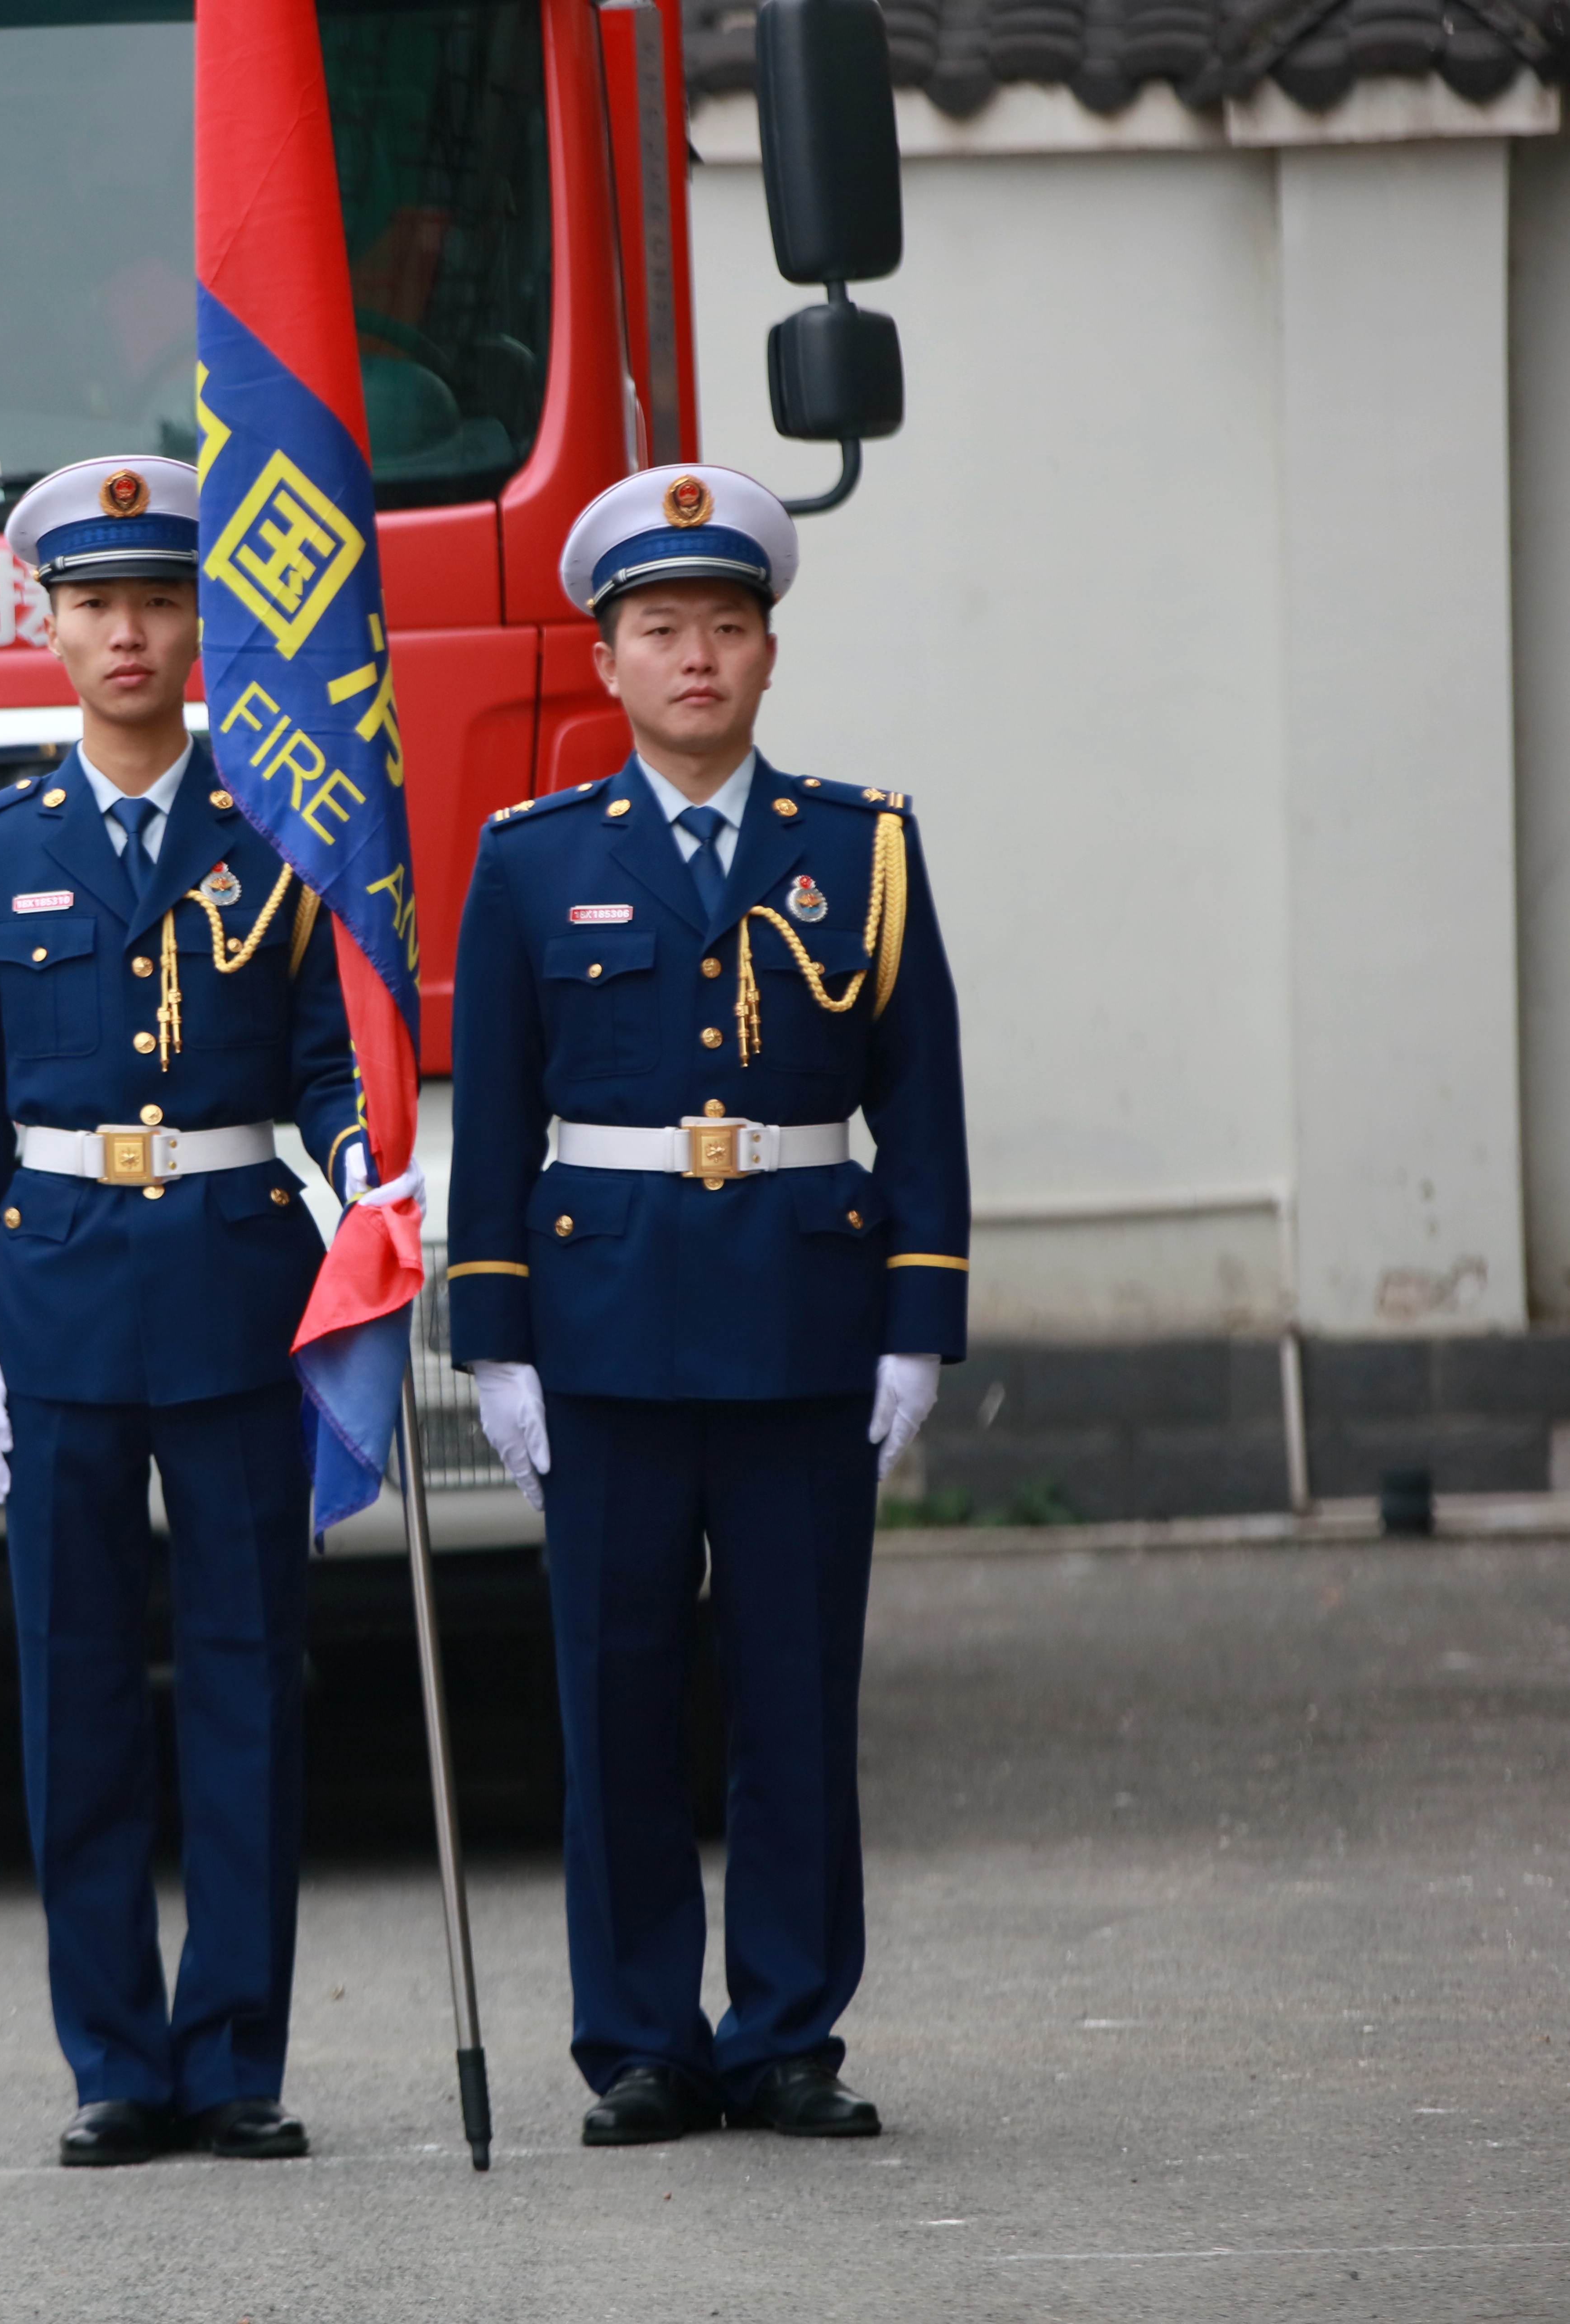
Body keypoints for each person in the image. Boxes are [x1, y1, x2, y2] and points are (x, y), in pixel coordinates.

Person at [443, 465, 968, 2146]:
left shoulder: (860, 848)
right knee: (618, 1696)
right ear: (606, 662)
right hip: (606, 1329)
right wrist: (495, 1342)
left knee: (799, 1694)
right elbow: (501, 1118)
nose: (694, 659)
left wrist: (918, 1320)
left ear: (764, 655)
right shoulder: (530, 861)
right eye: (659, 630)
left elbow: (926, 1098)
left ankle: (791, 2030)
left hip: (807, 1324)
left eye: (724, 628)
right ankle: (646, 2041)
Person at [0, 455, 414, 2167]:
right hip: (54, 1299)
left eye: (159, 600)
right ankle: (114, 2060)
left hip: (235, 1287)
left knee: (246, 1680)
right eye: (95, 603)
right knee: (74, 1690)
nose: (129, 633)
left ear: (206, 622)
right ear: (44, 627)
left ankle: (238, 2055)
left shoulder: (280, 827)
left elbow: (329, 1060)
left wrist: (373, 1165)